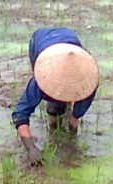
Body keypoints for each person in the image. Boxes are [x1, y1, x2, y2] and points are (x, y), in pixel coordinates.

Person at [11, 27, 99, 166]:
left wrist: (74, 120)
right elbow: (20, 114)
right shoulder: (40, 80)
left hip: (70, 42)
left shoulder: (88, 78)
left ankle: (63, 108)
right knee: (55, 107)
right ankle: (53, 117)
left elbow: (84, 101)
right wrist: (30, 147)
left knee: (68, 102)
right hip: (40, 40)